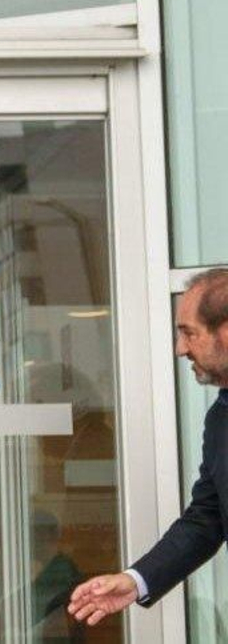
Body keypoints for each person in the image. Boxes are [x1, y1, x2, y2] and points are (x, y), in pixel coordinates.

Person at [68, 268, 228, 627]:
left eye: (189, 333)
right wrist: (135, 580)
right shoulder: (221, 418)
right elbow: (207, 518)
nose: (180, 348)